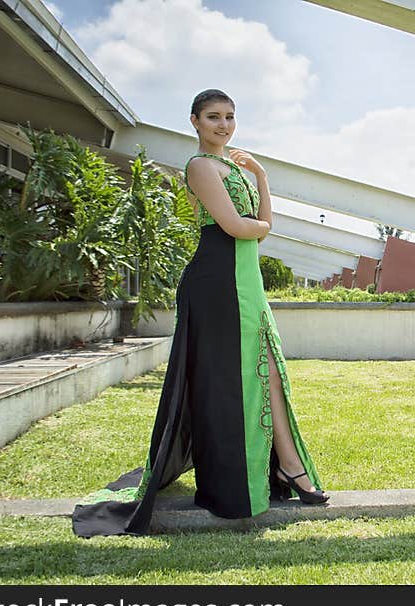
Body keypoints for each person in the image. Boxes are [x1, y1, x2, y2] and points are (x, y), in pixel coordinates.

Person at [72, 89, 328, 538]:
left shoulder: (239, 169)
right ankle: (244, 483)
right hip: (218, 284)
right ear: (194, 121)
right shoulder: (199, 167)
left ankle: (289, 466)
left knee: (269, 372)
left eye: (230, 117)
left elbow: (260, 229)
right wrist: (259, 225)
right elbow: (236, 227)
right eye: (213, 117)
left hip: (246, 283)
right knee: (231, 383)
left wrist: (263, 178)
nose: (223, 125)